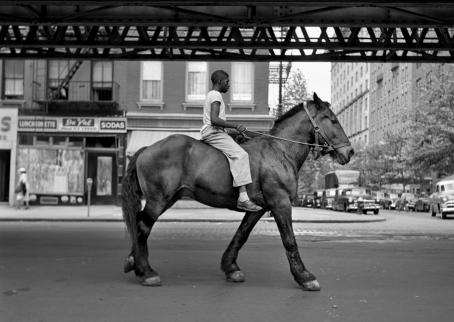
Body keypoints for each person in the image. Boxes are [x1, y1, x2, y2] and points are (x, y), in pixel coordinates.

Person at [200, 70, 262, 212]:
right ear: (219, 82)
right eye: (227, 82)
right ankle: (243, 198)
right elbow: (215, 120)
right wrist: (235, 125)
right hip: (213, 132)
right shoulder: (216, 95)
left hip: (214, 131)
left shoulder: (211, 95)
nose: (229, 85)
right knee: (241, 155)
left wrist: (234, 132)